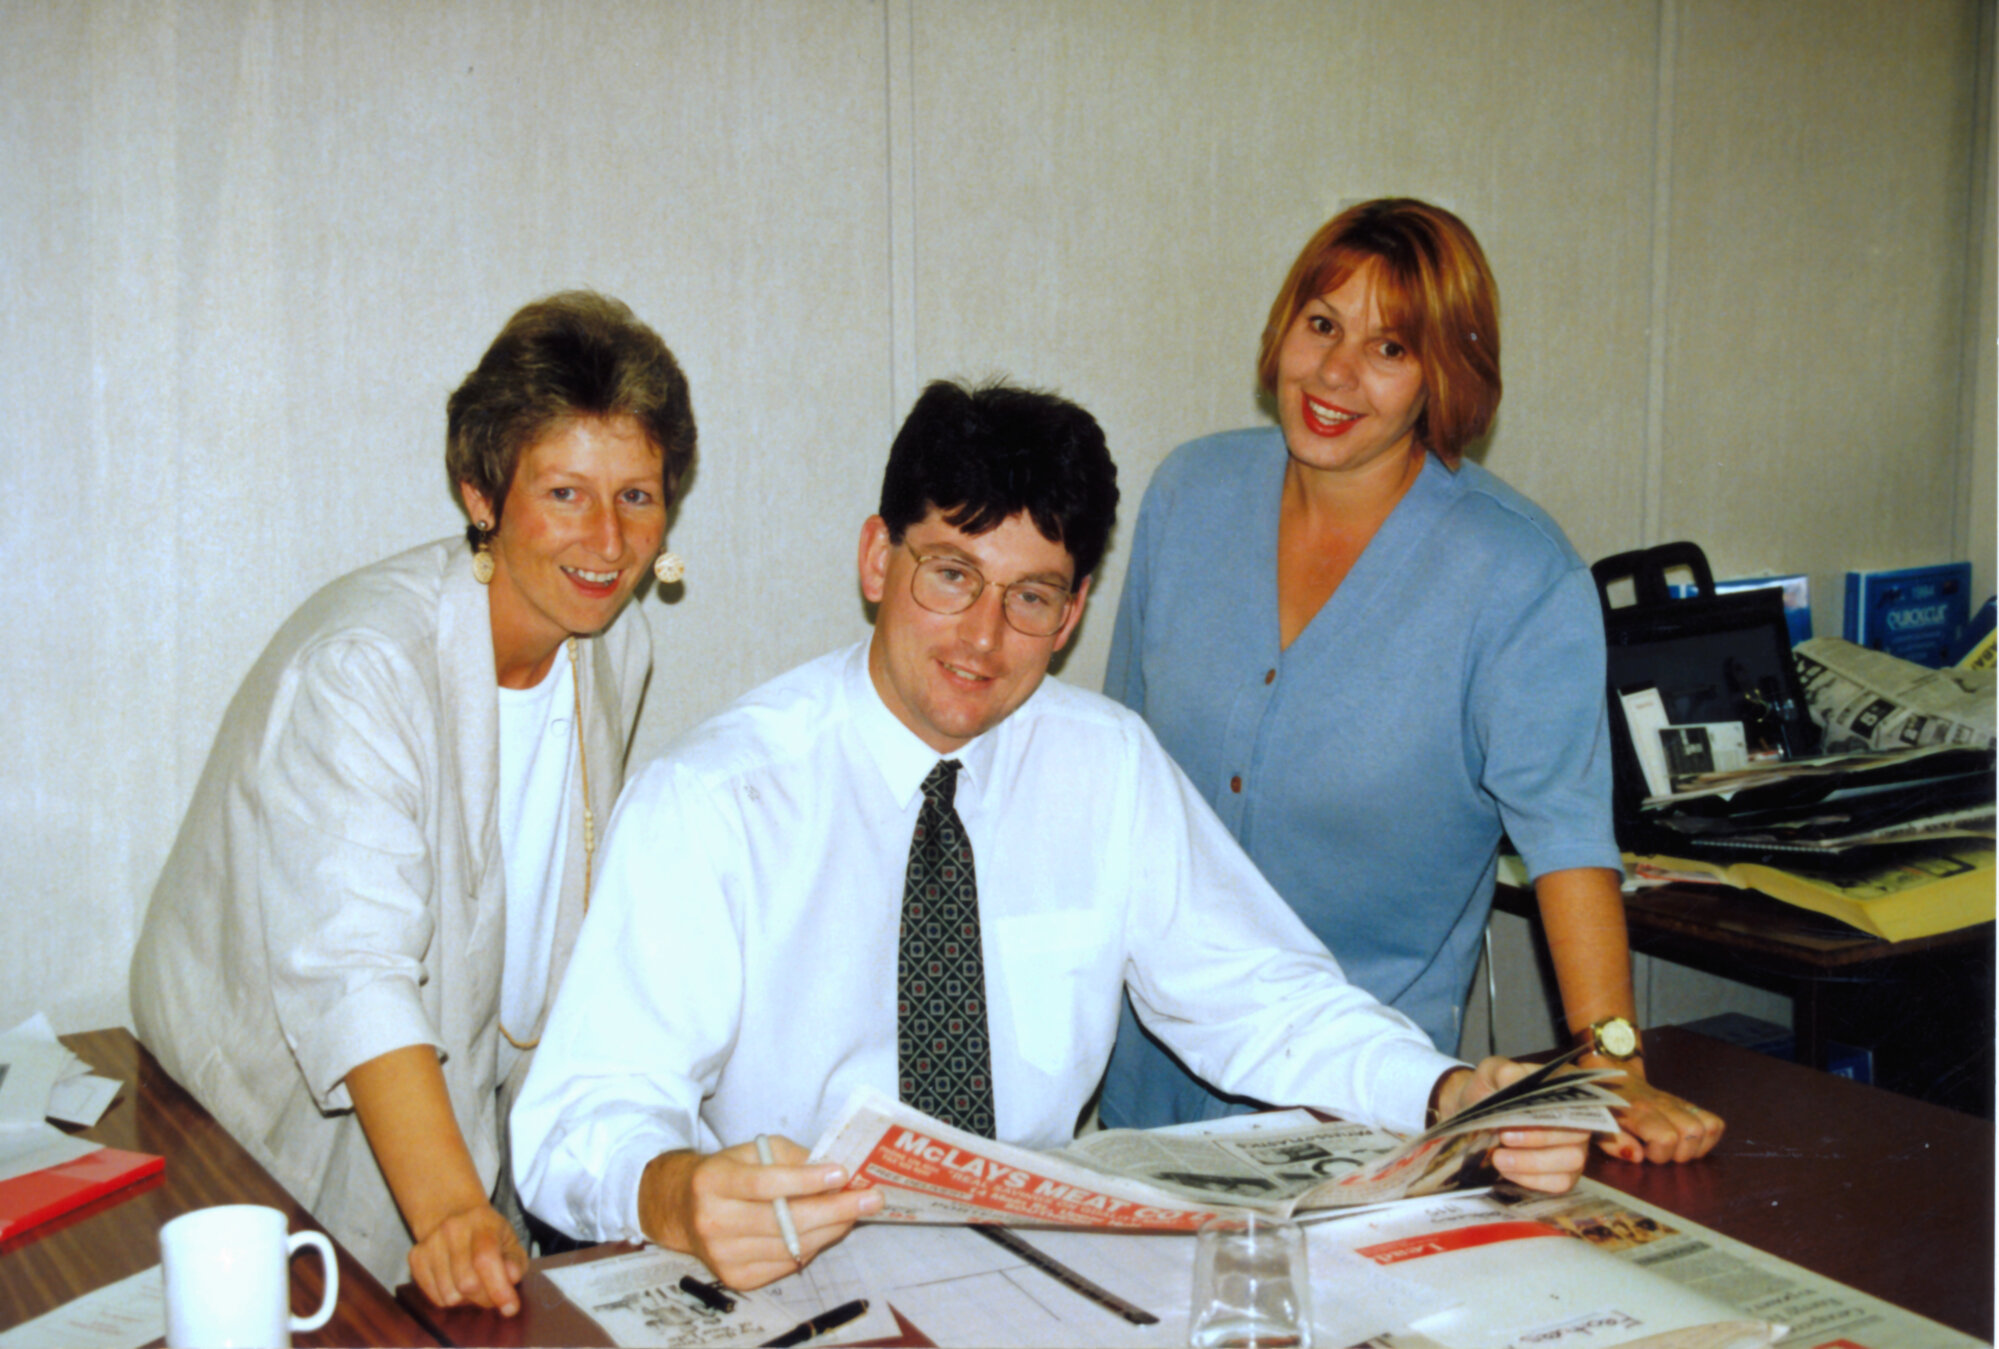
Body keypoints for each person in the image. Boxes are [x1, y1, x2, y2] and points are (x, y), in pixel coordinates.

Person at [510, 378, 1592, 1291]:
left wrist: (1444, 1092)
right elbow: (581, 1113)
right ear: (877, 560)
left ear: (1073, 616)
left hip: (1034, 1277)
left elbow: (1257, 994)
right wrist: (674, 1192)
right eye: (950, 575)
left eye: (1031, 597)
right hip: (799, 1275)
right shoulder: (719, 796)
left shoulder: (1104, 765)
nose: (982, 638)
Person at [1093, 198, 1724, 1164]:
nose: (1336, 373)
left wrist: (1614, 1063)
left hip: (1370, 1110)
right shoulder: (1189, 493)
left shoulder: (1514, 572)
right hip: (1149, 1087)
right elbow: (1114, 771)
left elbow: (1566, 843)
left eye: (1390, 348)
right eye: (1321, 324)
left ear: (1445, 376)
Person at [129, 291, 695, 1314]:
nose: (609, 541)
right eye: (565, 492)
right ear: (482, 492)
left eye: (639, 496)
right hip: (242, 1134)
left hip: (453, 1118)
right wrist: (448, 1208)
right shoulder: (367, 665)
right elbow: (358, 972)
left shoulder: (614, 644)